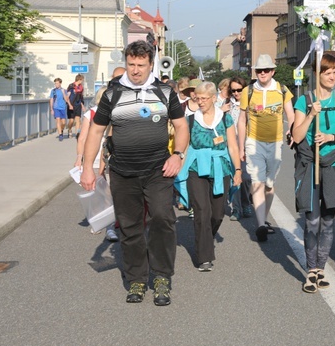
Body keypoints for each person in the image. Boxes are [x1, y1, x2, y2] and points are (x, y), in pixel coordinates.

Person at [80, 40, 189, 306]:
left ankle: (162, 276)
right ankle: (137, 279)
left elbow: (181, 125)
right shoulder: (112, 94)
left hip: (158, 170)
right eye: (131, 64)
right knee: (130, 227)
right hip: (122, 171)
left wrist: (178, 155)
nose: (136, 70)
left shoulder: (164, 92)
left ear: (151, 64)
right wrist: (88, 167)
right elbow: (95, 131)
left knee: (163, 218)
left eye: (141, 65)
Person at [291, 53, 335, 293]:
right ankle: (310, 269)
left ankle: (321, 268)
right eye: (327, 72)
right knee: (312, 220)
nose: (332, 76)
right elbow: (296, 136)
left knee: (328, 221)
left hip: (333, 164)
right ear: (317, 74)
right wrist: (311, 115)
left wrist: (330, 137)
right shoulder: (304, 101)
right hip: (309, 165)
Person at [174, 81, 241, 272]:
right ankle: (204, 256)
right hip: (197, 168)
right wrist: (178, 168)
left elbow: (233, 146)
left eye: (204, 98)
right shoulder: (191, 120)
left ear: (213, 98)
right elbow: (184, 147)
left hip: (220, 167)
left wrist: (238, 170)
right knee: (202, 211)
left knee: (217, 213)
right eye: (197, 98)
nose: (200, 101)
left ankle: (206, 236)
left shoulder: (225, 119)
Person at [237, 54, 294, 242]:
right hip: (254, 142)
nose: (263, 73)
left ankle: (264, 217)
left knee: (269, 185)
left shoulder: (282, 90)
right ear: (255, 72)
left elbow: (291, 116)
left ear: (272, 71)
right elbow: (242, 120)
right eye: (259, 70)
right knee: (257, 183)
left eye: (266, 70)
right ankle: (260, 225)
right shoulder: (248, 91)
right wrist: (241, 147)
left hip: (276, 142)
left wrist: (292, 132)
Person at [74, 86, 118, 242]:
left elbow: (82, 138)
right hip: (98, 156)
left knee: (103, 192)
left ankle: (107, 225)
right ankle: (104, 224)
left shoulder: (93, 113)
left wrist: (81, 157)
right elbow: (83, 138)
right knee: (102, 192)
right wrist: (80, 158)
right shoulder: (97, 113)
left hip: (101, 156)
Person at [228, 75, 254, 219]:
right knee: (235, 176)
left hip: (248, 144)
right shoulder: (227, 105)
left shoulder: (250, 104)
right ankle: (236, 208)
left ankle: (245, 203)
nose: (236, 93)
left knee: (246, 177)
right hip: (233, 145)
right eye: (233, 91)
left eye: (239, 90)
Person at [66, 74, 85, 138]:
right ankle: (69, 129)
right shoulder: (71, 86)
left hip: (78, 105)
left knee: (78, 120)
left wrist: (82, 105)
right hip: (71, 105)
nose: (82, 81)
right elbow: (67, 97)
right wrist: (69, 105)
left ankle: (77, 134)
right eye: (82, 80)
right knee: (71, 120)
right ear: (79, 79)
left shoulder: (81, 87)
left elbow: (81, 97)